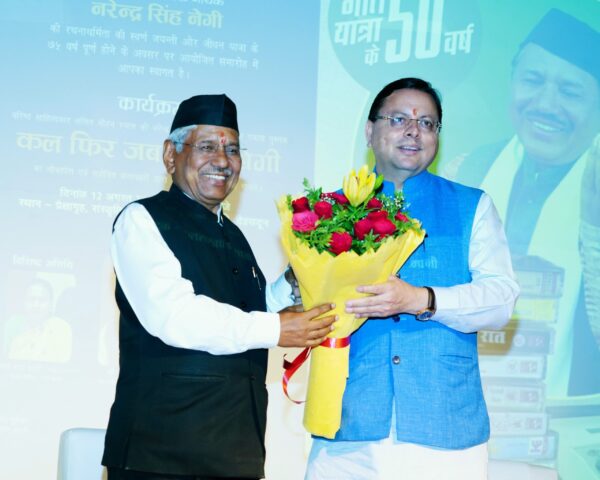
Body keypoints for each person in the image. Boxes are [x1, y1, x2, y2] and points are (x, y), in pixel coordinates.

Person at [101, 94, 336, 480]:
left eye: (232, 149)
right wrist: (277, 328)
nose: (223, 161)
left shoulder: (235, 235)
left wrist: (295, 283)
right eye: (207, 147)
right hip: (160, 454)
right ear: (170, 155)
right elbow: (175, 316)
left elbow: (248, 313)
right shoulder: (142, 219)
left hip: (235, 452)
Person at [304, 78, 519, 480]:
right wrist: (301, 273)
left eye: (426, 123)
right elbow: (283, 304)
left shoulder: (472, 205)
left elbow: (501, 299)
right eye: (399, 119)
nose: (413, 131)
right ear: (370, 131)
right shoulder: (329, 213)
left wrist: (421, 299)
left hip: (445, 429)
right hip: (348, 429)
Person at [446, 8, 600, 397]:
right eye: (532, 80)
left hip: (571, 415)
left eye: (570, 92)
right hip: (463, 399)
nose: (546, 104)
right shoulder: (467, 170)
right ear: (512, 80)